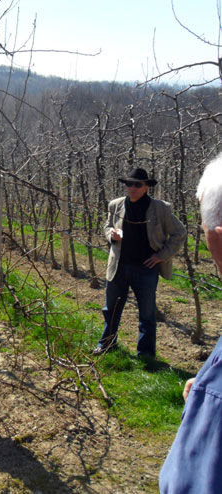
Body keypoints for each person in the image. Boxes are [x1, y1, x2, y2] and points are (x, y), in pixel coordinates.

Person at [159, 153, 222, 493]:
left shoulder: (160, 208)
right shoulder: (117, 205)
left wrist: (211, 397)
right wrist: (206, 386)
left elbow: (188, 483)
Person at [93, 168, 186, 358]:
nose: (132, 188)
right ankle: (106, 344)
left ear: (146, 188)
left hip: (146, 268)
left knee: (147, 312)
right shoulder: (115, 205)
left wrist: (162, 255)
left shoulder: (160, 208)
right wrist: (111, 234)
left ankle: (145, 354)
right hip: (119, 265)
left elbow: (180, 232)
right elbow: (107, 225)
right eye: (129, 184)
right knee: (110, 309)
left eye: (137, 185)